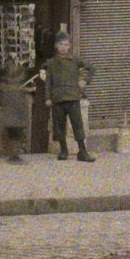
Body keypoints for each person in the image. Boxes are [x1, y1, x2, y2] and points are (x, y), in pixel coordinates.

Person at [43, 31, 95, 161]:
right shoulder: (51, 62)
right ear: (56, 46)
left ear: (70, 46)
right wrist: (48, 97)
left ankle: (82, 152)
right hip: (58, 99)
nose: (63, 47)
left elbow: (91, 68)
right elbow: (48, 81)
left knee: (78, 125)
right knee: (59, 126)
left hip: (72, 97)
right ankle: (63, 150)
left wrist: (84, 81)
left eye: (66, 44)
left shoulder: (75, 59)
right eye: (60, 44)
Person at [0, 57, 31, 164]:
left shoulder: (3, 86)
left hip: (10, 118)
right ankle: (14, 155)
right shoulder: (19, 86)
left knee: (11, 136)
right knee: (16, 137)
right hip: (17, 117)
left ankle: (13, 155)